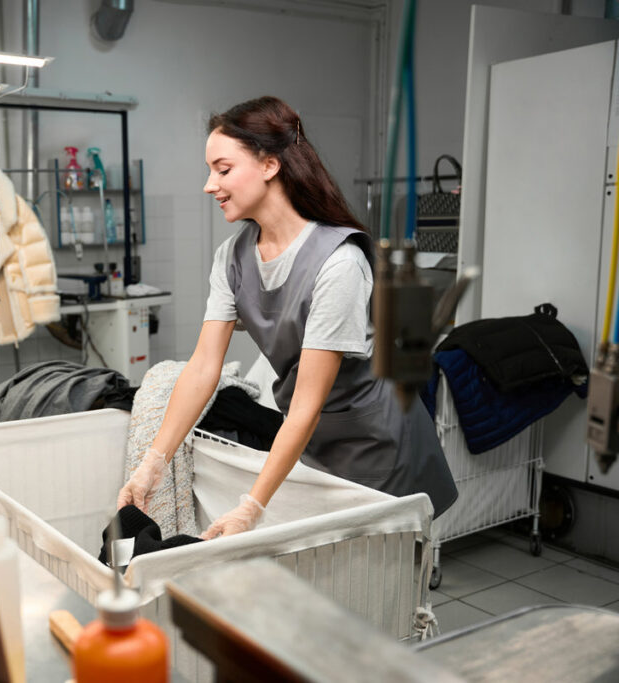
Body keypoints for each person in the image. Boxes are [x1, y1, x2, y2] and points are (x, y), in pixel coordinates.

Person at [116, 96, 457, 539]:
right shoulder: (232, 258)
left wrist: (251, 508)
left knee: (374, 575)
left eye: (222, 169)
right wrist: (152, 464)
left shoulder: (339, 263)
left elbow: (308, 404)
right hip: (312, 437)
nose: (209, 185)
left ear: (270, 166)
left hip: (377, 443)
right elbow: (203, 368)